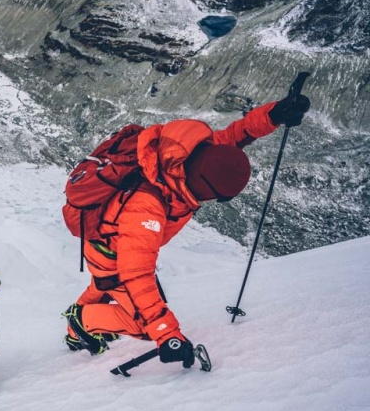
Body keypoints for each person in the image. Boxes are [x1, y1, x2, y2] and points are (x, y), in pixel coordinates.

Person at [63, 93, 311, 367]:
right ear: (204, 189)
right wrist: (166, 334)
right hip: (112, 255)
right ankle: (82, 321)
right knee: (142, 320)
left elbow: (236, 136)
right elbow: (137, 275)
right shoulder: (146, 206)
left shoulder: (191, 154)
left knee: (105, 285)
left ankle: (74, 330)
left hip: (106, 243)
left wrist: (274, 114)